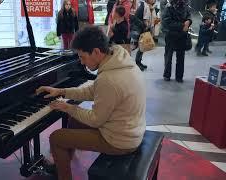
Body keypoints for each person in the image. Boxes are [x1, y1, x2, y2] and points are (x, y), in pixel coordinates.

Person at [36, 26, 146, 180]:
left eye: (82, 57)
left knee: (56, 138)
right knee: (74, 121)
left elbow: (95, 120)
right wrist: (62, 91)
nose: (81, 62)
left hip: (120, 140)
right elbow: (92, 91)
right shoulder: (120, 60)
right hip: (130, 129)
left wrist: (68, 107)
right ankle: (62, 163)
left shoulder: (109, 79)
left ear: (95, 52)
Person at [162, 0, 191, 83]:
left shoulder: (185, 5)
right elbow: (166, 22)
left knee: (181, 57)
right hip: (171, 35)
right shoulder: (169, 7)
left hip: (182, 36)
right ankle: (167, 75)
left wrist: (189, 21)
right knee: (168, 56)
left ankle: (179, 76)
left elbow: (189, 16)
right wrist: (182, 25)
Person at [134, 0, 157, 71]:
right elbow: (145, 20)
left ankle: (139, 62)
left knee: (142, 47)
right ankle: (137, 63)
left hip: (141, 28)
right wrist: (147, 28)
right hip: (142, 29)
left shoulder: (146, 6)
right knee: (141, 47)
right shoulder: (146, 6)